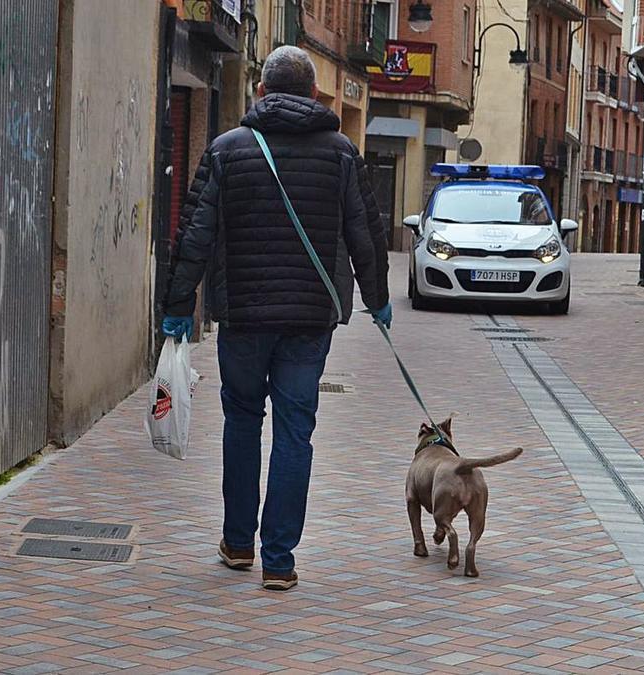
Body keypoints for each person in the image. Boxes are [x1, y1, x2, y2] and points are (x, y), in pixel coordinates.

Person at [161, 46, 391, 591]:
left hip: (241, 314)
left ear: (260, 92)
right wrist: (377, 297)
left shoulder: (226, 149)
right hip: (310, 317)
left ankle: (238, 543)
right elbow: (366, 234)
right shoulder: (341, 153)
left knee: (242, 421)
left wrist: (176, 308)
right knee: (296, 430)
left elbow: (194, 234)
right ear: (314, 95)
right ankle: (280, 561)